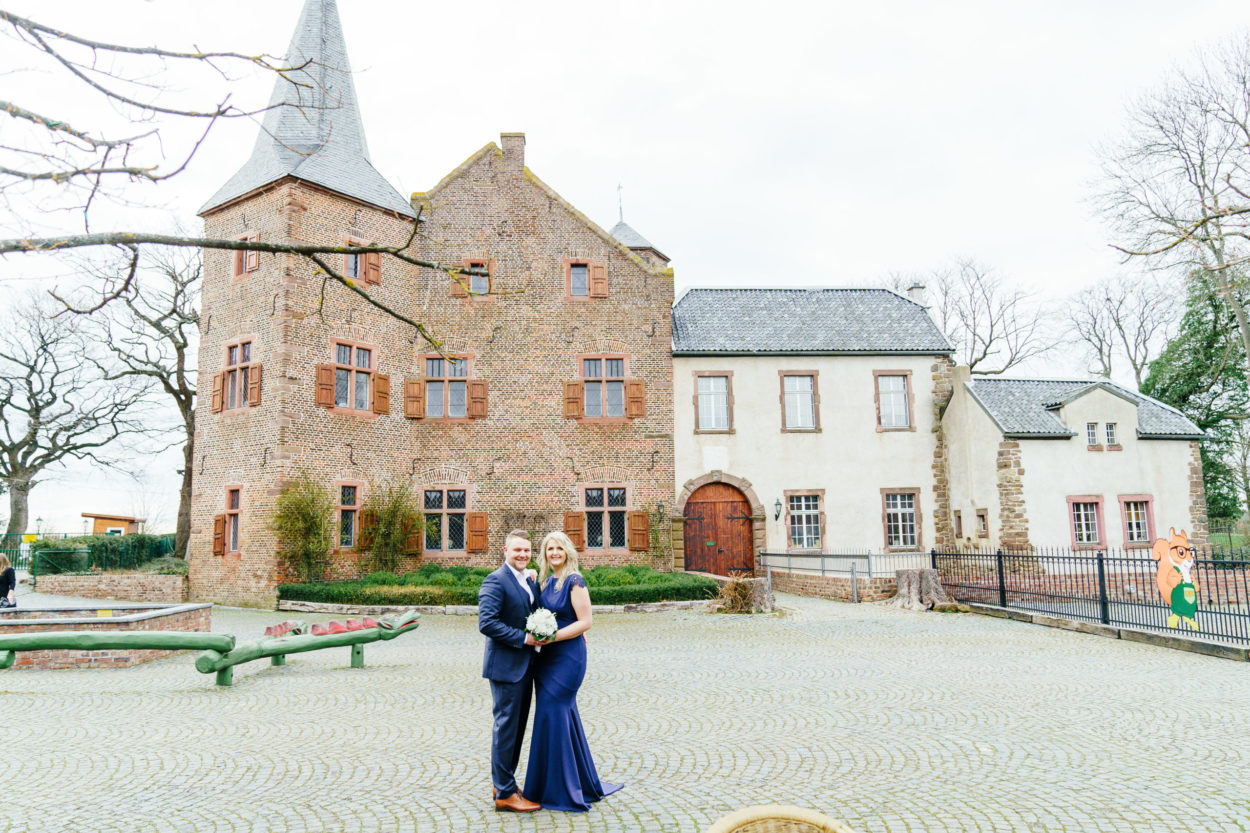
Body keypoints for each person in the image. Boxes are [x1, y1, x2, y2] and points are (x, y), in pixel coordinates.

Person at [523, 531, 623, 811]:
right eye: (549, 548)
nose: (554, 552)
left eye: (559, 548)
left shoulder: (575, 581)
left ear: (568, 551)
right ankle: (551, 784)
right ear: (545, 553)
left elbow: (586, 621)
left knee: (555, 710)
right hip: (547, 660)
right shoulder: (544, 582)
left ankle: (563, 788)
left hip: (568, 659)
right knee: (549, 715)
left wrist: (553, 636)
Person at [478, 529, 543, 813]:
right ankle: (504, 794)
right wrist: (523, 638)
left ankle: (504, 782)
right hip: (506, 667)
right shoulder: (495, 580)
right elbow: (487, 623)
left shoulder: (526, 579)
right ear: (505, 551)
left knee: (516, 730)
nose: (522, 555)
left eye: (527, 551)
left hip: (525, 666)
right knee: (506, 729)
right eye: (517, 550)